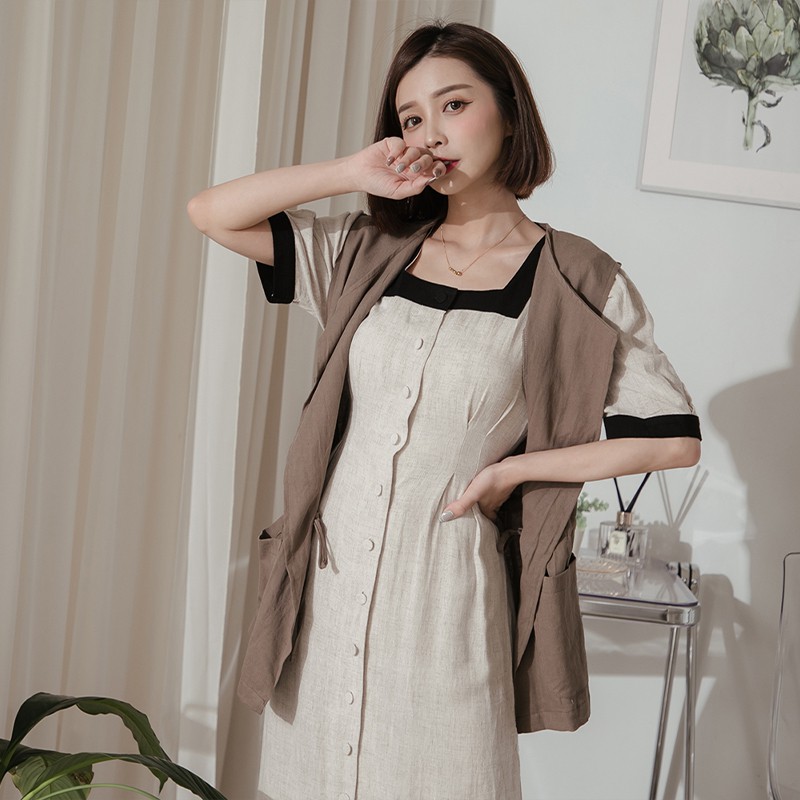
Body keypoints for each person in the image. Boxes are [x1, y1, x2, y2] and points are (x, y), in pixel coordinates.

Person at [187, 21, 701, 800]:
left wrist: (514, 472)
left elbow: (673, 440)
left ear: (510, 113)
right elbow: (211, 213)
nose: (431, 133)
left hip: (448, 600)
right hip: (325, 597)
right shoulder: (363, 252)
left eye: (453, 105)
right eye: (411, 118)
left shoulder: (578, 279)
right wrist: (353, 170)